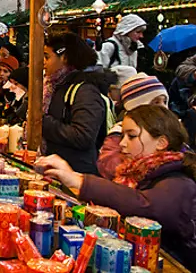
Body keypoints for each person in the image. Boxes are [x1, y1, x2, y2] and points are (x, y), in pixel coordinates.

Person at [37, 105, 196, 269]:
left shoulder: (180, 182)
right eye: (123, 136)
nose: (122, 143)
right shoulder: (134, 174)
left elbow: (144, 205)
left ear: (161, 143)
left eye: (132, 136)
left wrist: (80, 181)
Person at [42, 33, 116, 174]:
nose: (44, 62)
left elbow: (83, 136)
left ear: (64, 58)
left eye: (47, 57)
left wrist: (42, 122)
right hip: (57, 169)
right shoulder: (56, 86)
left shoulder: (85, 90)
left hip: (76, 172)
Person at [97, 73, 168, 179]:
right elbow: (108, 165)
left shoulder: (169, 129)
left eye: (165, 101)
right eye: (156, 102)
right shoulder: (119, 132)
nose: (163, 107)